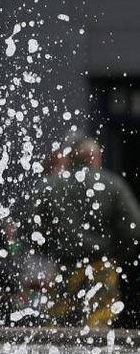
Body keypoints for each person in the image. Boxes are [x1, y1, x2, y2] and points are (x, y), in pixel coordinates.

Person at [14, 135, 140, 328]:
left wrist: (46, 249)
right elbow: (134, 229)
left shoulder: (50, 185)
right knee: (98, 327)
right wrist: (119, 255)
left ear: (71, 158)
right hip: (101, 268)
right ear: (96, 157)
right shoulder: (114, 185)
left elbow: (27, 227)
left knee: (59, 328)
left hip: (63, 268)